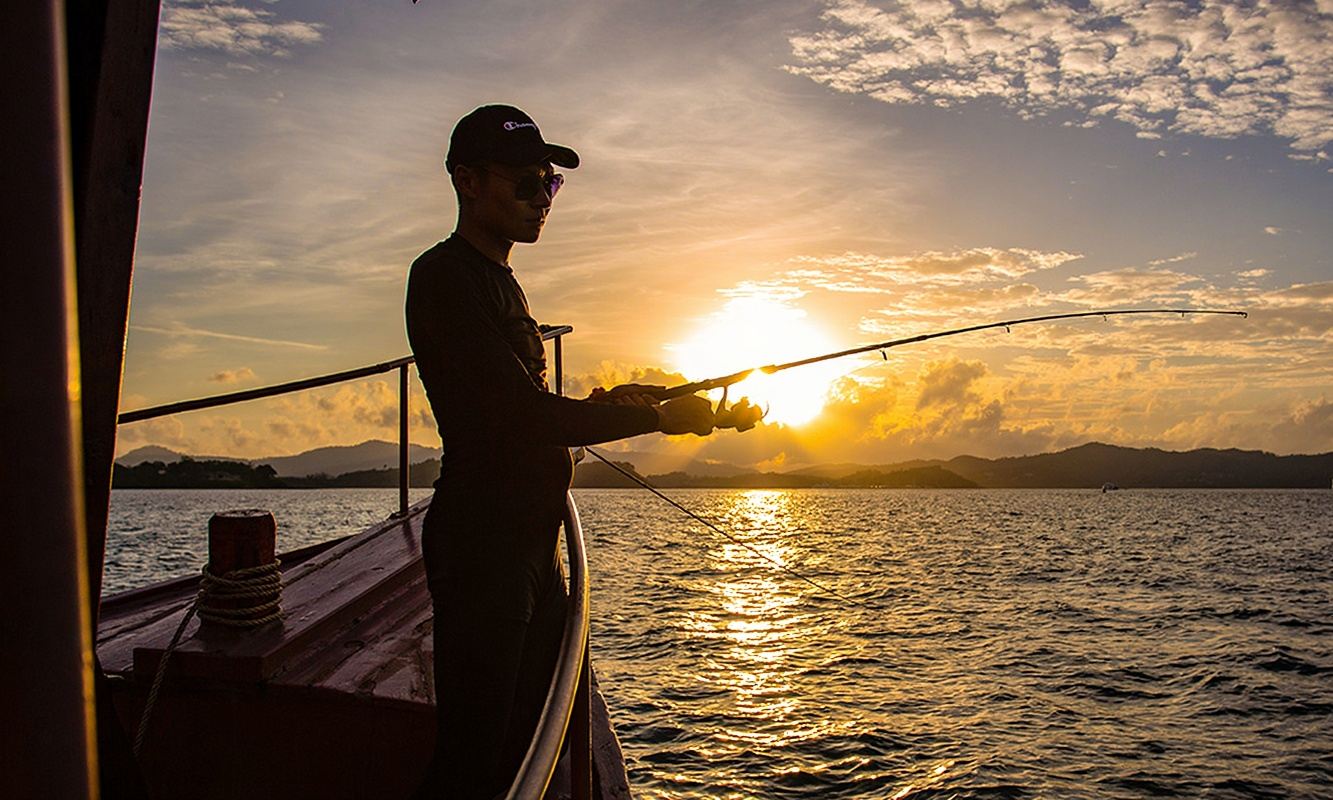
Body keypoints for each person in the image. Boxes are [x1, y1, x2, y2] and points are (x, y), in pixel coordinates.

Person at [405, 104, 736, 798]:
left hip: (532, 543)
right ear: (468, 181)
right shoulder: (444, 276)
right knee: (472, 759)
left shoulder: (502, 281)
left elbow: (526, 401)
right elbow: (516, 415)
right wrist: (658, 419)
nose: (541, 201)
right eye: (525, 185)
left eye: (549, 185)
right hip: (483, 545)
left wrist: (644, 397)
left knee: (529, 737)